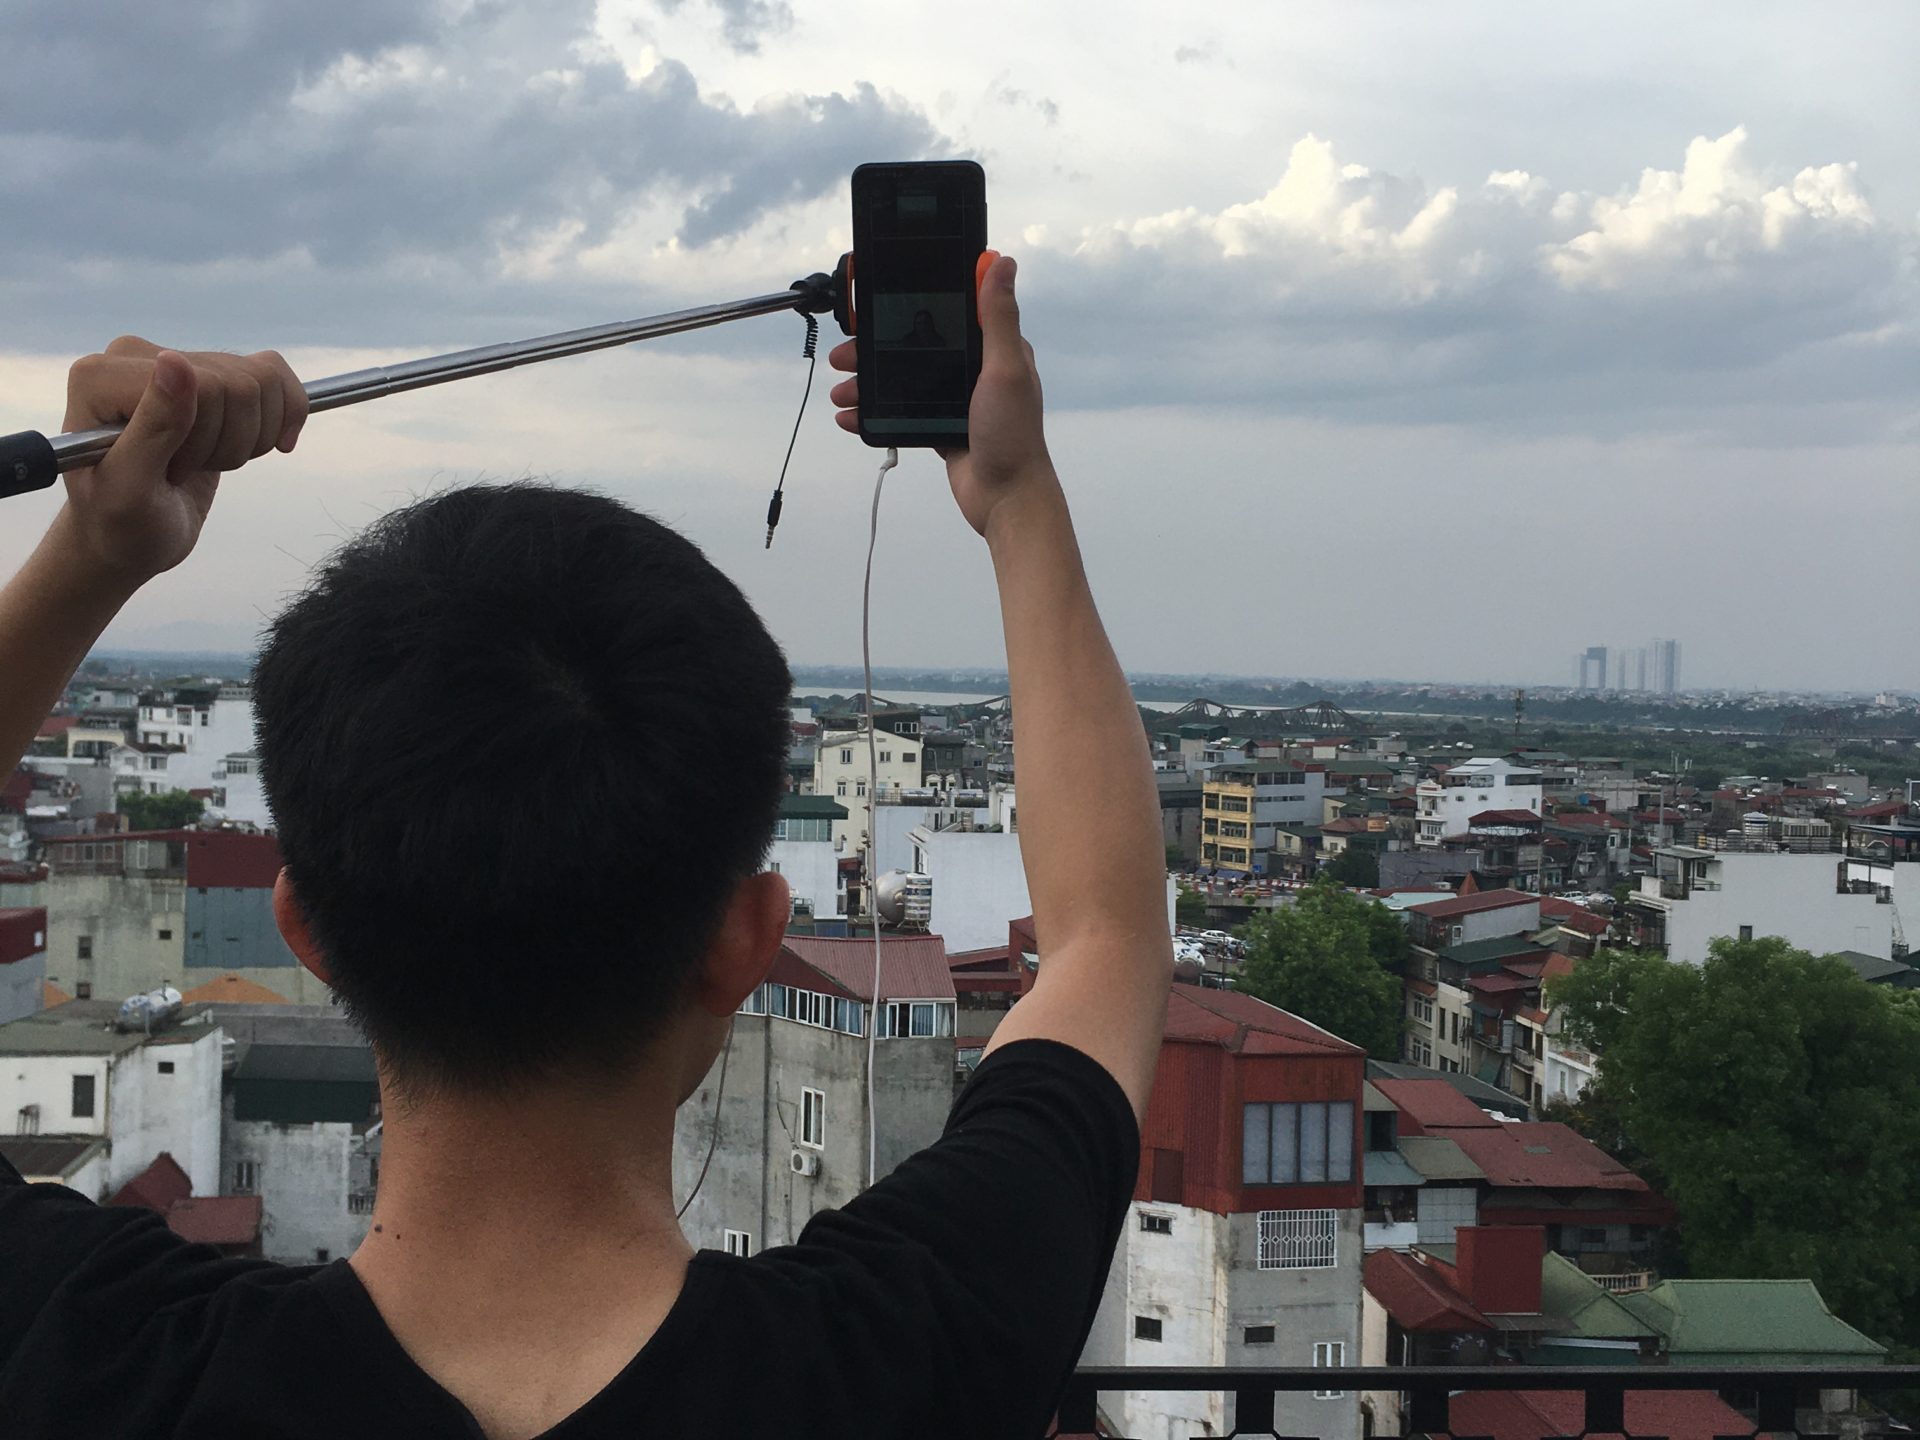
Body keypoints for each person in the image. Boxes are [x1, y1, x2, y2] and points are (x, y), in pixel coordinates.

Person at [0, 256, 1171, 1439]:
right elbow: (1106, 940)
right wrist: (1016, 496)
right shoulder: (908, 1350)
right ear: (749, 939)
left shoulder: (91, 1357)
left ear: (307, 930)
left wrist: (91, 554)